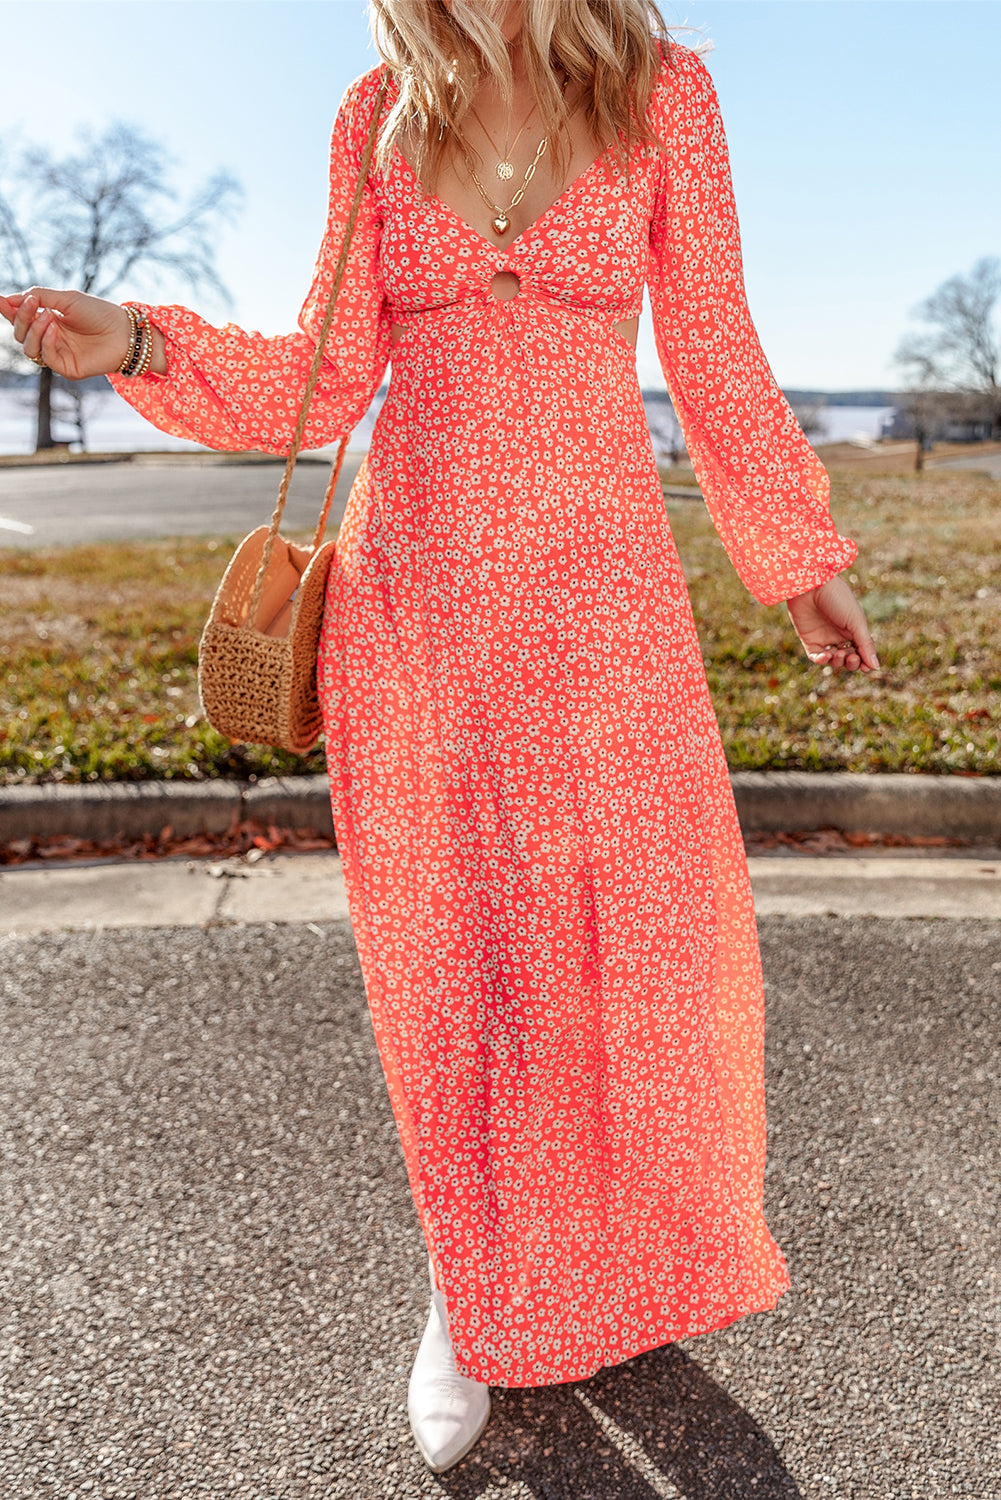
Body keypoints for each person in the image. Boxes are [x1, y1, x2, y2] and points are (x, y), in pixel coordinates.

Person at [1, 0, 880, 1476]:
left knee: (624, 939)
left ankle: (601, 1265)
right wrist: (142, 337)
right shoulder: (375, 113)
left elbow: (713, 339)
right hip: (417, 601)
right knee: (458, 953)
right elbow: (328, 378)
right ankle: (470, 1285)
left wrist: (797, 558)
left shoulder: (664, 97)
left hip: (600, 599)